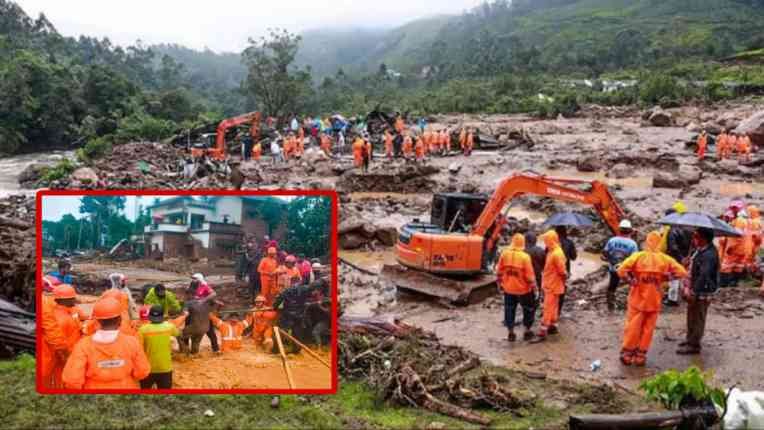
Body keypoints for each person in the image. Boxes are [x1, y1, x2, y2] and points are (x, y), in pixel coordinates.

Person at [617, 231, 687, 366]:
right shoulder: (665, 259)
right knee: (648, 329)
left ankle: (627, 353)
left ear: (647, 242)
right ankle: (640, 356)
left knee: (633, 327)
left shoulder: (638, 256)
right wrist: (666, 278)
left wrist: (630, 280)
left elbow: (621, 270)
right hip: (654, 300)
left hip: (637, 299)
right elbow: (682, 272)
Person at [62, 297, 151, 389]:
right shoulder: (132, 342)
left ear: (97, 321)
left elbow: (72, 380)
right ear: (120, 320)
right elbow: (142, 372)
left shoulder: (83, 345)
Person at [678, 228, 719, 355]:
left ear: (703, 238)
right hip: (695, 287)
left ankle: (695, 344)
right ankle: (690, 338)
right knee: (691, 314)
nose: (694, 239)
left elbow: (704, 274)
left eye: (696, 237)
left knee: (698, 316)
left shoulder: (710, 254)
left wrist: (694, 291)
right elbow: (695, 266)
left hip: (702, 290)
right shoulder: (700, 250)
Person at [40, 284, 83, 389]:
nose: (75, 300)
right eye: (73, 298)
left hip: (62, 354)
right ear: (66, 300)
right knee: (51, 378)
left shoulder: (65, 311)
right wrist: (67, 355)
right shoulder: (61, 318)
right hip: (59, 355)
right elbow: (58, 341)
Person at [497, 233, 538, 342]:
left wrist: (499, 284)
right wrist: (535, 288)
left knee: (509, 309)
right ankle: (526, 330)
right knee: (528, 309)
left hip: (508, 289)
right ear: (522, 243)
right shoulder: (525, 257)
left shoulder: (504, 254)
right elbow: (530, 276)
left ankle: (511, 332)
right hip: (523, 290)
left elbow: (499, 272)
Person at [138, 305, 188, 389]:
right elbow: (178, 333)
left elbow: (138, 348)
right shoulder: (169, 327)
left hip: (148, 369)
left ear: (149, 316)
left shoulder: (142, 329)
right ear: (162, 316)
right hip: (165, 368)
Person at [535, 230, 567, 341]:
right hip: (551, 283)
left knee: (548, 307)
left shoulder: (556, 254)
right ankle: (553, 326)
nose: (545, 242)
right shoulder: (553, 251)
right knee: (553, 306)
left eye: (546, 240)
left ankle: (543, 330)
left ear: (551, 240)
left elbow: (562, 271)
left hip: (552, 284)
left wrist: (563, 280)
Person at [661, 202, 692, 306]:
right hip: (686, 256)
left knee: (673, 278)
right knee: (682, 276)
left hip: (675, 257)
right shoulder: (688, 228)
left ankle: (672, 300)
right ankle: (682, 295)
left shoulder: (672, 230)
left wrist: (679, 257)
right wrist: (687, 256)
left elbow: (673, 247)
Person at [602, 220, 639, 311]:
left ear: (619, 230)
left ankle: (610, 306)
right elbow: (634, 259)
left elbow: (605, 252)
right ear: (630, 230)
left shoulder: (612, 240)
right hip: (627, 270)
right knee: (633, 285)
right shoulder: (632, 244)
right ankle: (633, 303)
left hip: (613, 268)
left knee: (612, 286)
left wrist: (612, 261)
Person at [273, 280, 315, 351]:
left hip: (287, 314)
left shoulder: (287, 290)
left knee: (281, 331)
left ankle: (276, 348)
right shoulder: (305, 289)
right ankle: (296, 349)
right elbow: (309, 298)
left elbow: (278, 301)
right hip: (299, 314)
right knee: (297, 332)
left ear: (292, 282)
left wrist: (276, 308)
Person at [189, 274, 219, 353]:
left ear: (199, 279)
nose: (193, 280)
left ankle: (216, 349)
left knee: (210, 330)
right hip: (194, 310)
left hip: (204, 311)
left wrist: (203, 300)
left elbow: (213, 294)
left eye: (195, 278)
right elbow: (189, 294)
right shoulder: (192, 285)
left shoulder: (204, 286)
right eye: (193, 278)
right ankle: (188, 351)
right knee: (189, 326)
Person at [554, 226, 578, 313]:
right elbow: (574, 257)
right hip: (565, 270)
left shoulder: (552, 242)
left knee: (552, 290)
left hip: (553, 270)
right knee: (562, 290)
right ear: (565, 232)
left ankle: (551, 309)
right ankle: (558, 310)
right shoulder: (569, 242)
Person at [745, 205, 762, 273]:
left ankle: (750, 275)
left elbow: (755, 235)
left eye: (749, 212)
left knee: (750, 261)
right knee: (752, 260)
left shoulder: (754, 222)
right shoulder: (756, 221)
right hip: (753, 245)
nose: (748, 213)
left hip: (751, 245)